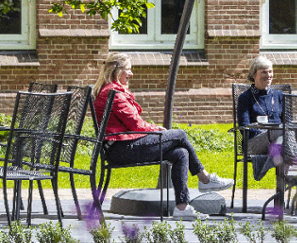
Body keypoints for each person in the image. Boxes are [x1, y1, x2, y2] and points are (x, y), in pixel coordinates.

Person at [94, 53, 234, 220]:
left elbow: (131, 124)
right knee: (180, 134)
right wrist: (155, 129)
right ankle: (204, 178)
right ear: (116, 71)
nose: (131, 74)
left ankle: (182, 207)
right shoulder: (114, 93)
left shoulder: (112, 91)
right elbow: (136, 125)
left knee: (181, 153)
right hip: (120, 149)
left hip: (121, 145)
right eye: (128, 70)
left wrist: (153, 129)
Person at [236, 56, 284, 180]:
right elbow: (244, 127)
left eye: (270, 71)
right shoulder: (245, 98)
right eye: (264, 72)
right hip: (254, 143)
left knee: (282, 139)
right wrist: (265, 131)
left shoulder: (279, 96)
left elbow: (287, 122)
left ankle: (263, 168)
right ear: (253, 74)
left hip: (278, 142)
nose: (268, 75)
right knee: (280, 131)